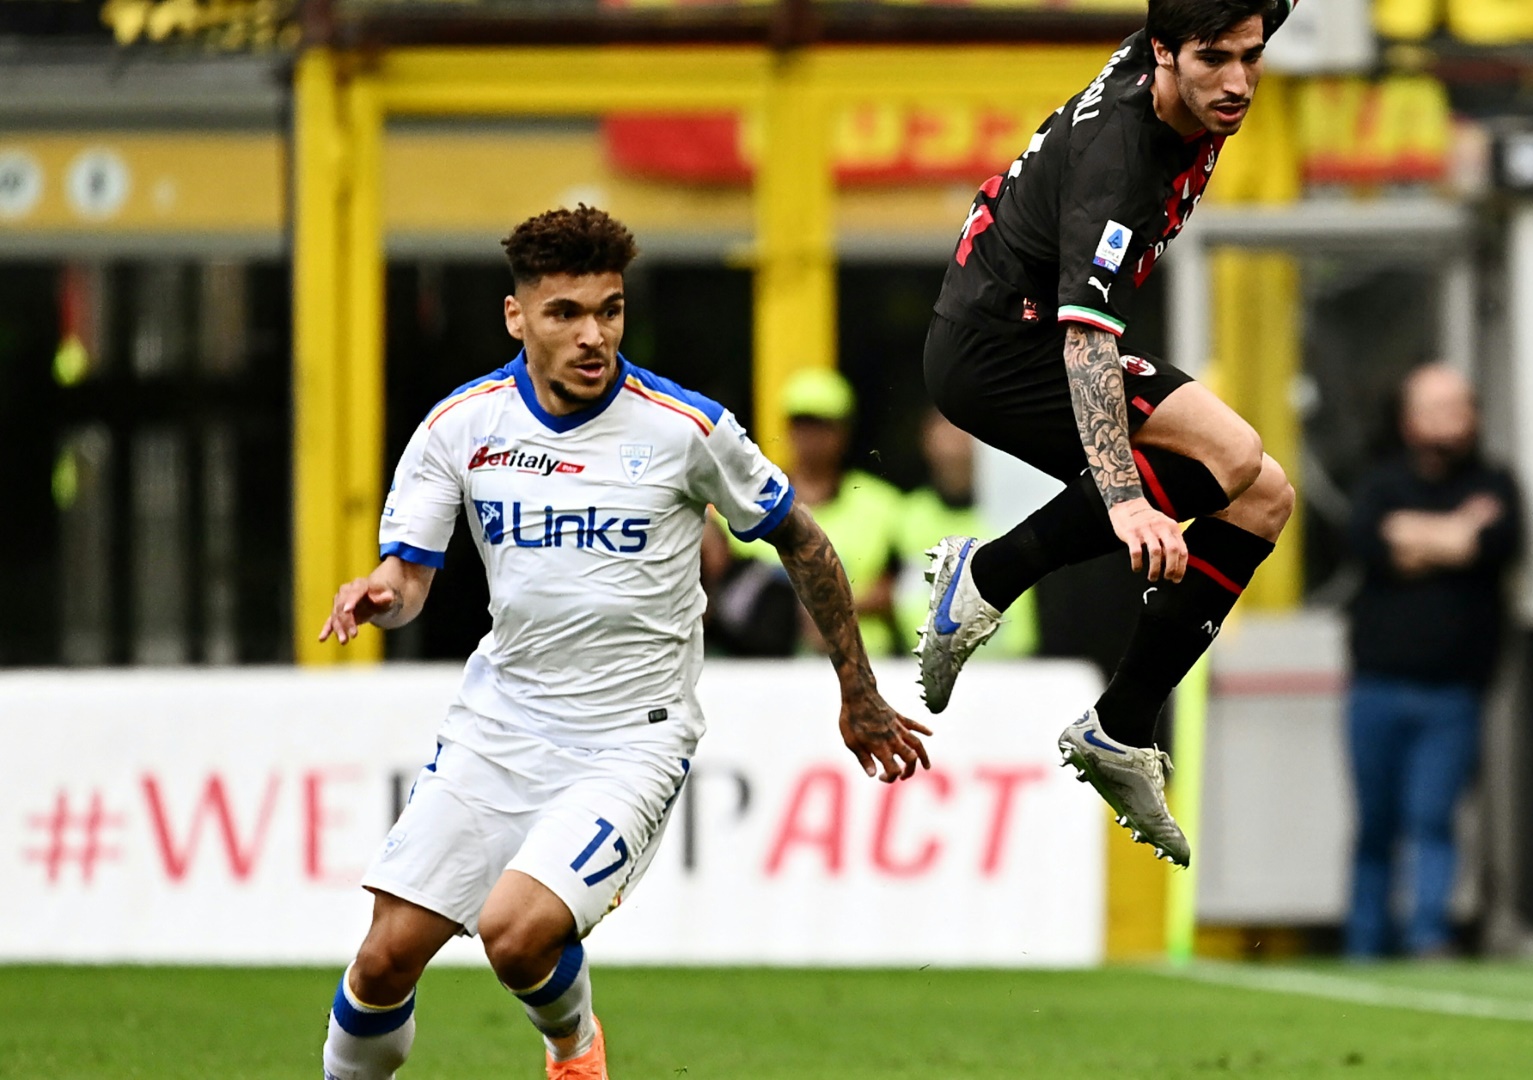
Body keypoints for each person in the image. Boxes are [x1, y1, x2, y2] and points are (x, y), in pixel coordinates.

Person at [314, 206, 929, 1080]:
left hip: (629, 738)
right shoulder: (461, 427)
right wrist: (381, 591)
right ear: (515, 316)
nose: (592, 334)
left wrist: (857, 690)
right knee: (381, 963)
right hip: (500, 724)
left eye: (609, 310)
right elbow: (408, 581)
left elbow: (804, 539)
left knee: (515, 934)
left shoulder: (684, 429)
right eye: (565, 313)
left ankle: (573, 1047)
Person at [913, 0, 1298, 865]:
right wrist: (1123, 499)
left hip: (1021, 333)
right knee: (1230, 456)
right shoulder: (1118, 160)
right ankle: (990, 573)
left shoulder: (1191, 42)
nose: (1237, 81)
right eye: (1214, 60)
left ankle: (1120, 727)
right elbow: (1085, 337)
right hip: (1003, 349)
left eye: (1251, 54)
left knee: (1265, 496)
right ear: (1161, 52)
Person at [1343, 363, 1520, 959]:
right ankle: (1365, 943)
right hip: (1375, 687)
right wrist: (1454, 535)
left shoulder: (1495, 483)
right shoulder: (1379, 483)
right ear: (1408, 416)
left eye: (1460, 406)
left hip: (1453, 691)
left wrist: (1415, 538)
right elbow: (1370, 542)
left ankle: (1428, 937)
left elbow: (1493, 545)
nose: (1451, 419)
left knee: (1432, 819)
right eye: (1436, 406)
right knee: (1376, 826)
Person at [727, 368, 904, 655]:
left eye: (822, 425)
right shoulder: (750, 498)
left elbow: (898, 587)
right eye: (802, 424)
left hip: (864, 660)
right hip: (763, 667)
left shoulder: (881, 504)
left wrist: (830, 612)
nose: (810, 436)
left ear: (843, 431)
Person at [893, 410, 1039, 658]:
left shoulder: (1014, 511)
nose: (955, 442)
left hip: (1011, 666)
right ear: (926, 441)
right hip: (926, 667)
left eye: (963, 432)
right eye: (945, 431)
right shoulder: (905, 517)